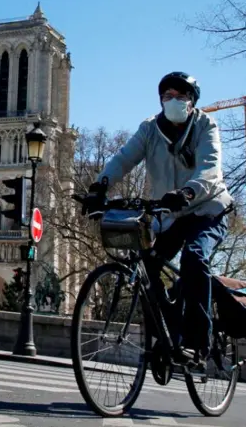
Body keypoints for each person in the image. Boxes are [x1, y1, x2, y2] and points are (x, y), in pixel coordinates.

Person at [83, 71, 235, 367]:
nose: (173, 101)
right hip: (171, 215)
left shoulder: (206, 125)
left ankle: (197, 343)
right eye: (167, 96)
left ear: (192, 102)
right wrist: (99, 185)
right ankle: (166, 338)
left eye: (181, 97)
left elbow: (209, 168)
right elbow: (124, 158)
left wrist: (188, 192)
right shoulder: (150, 129)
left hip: (208, 210)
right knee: (146, 266)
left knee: (194, 258)